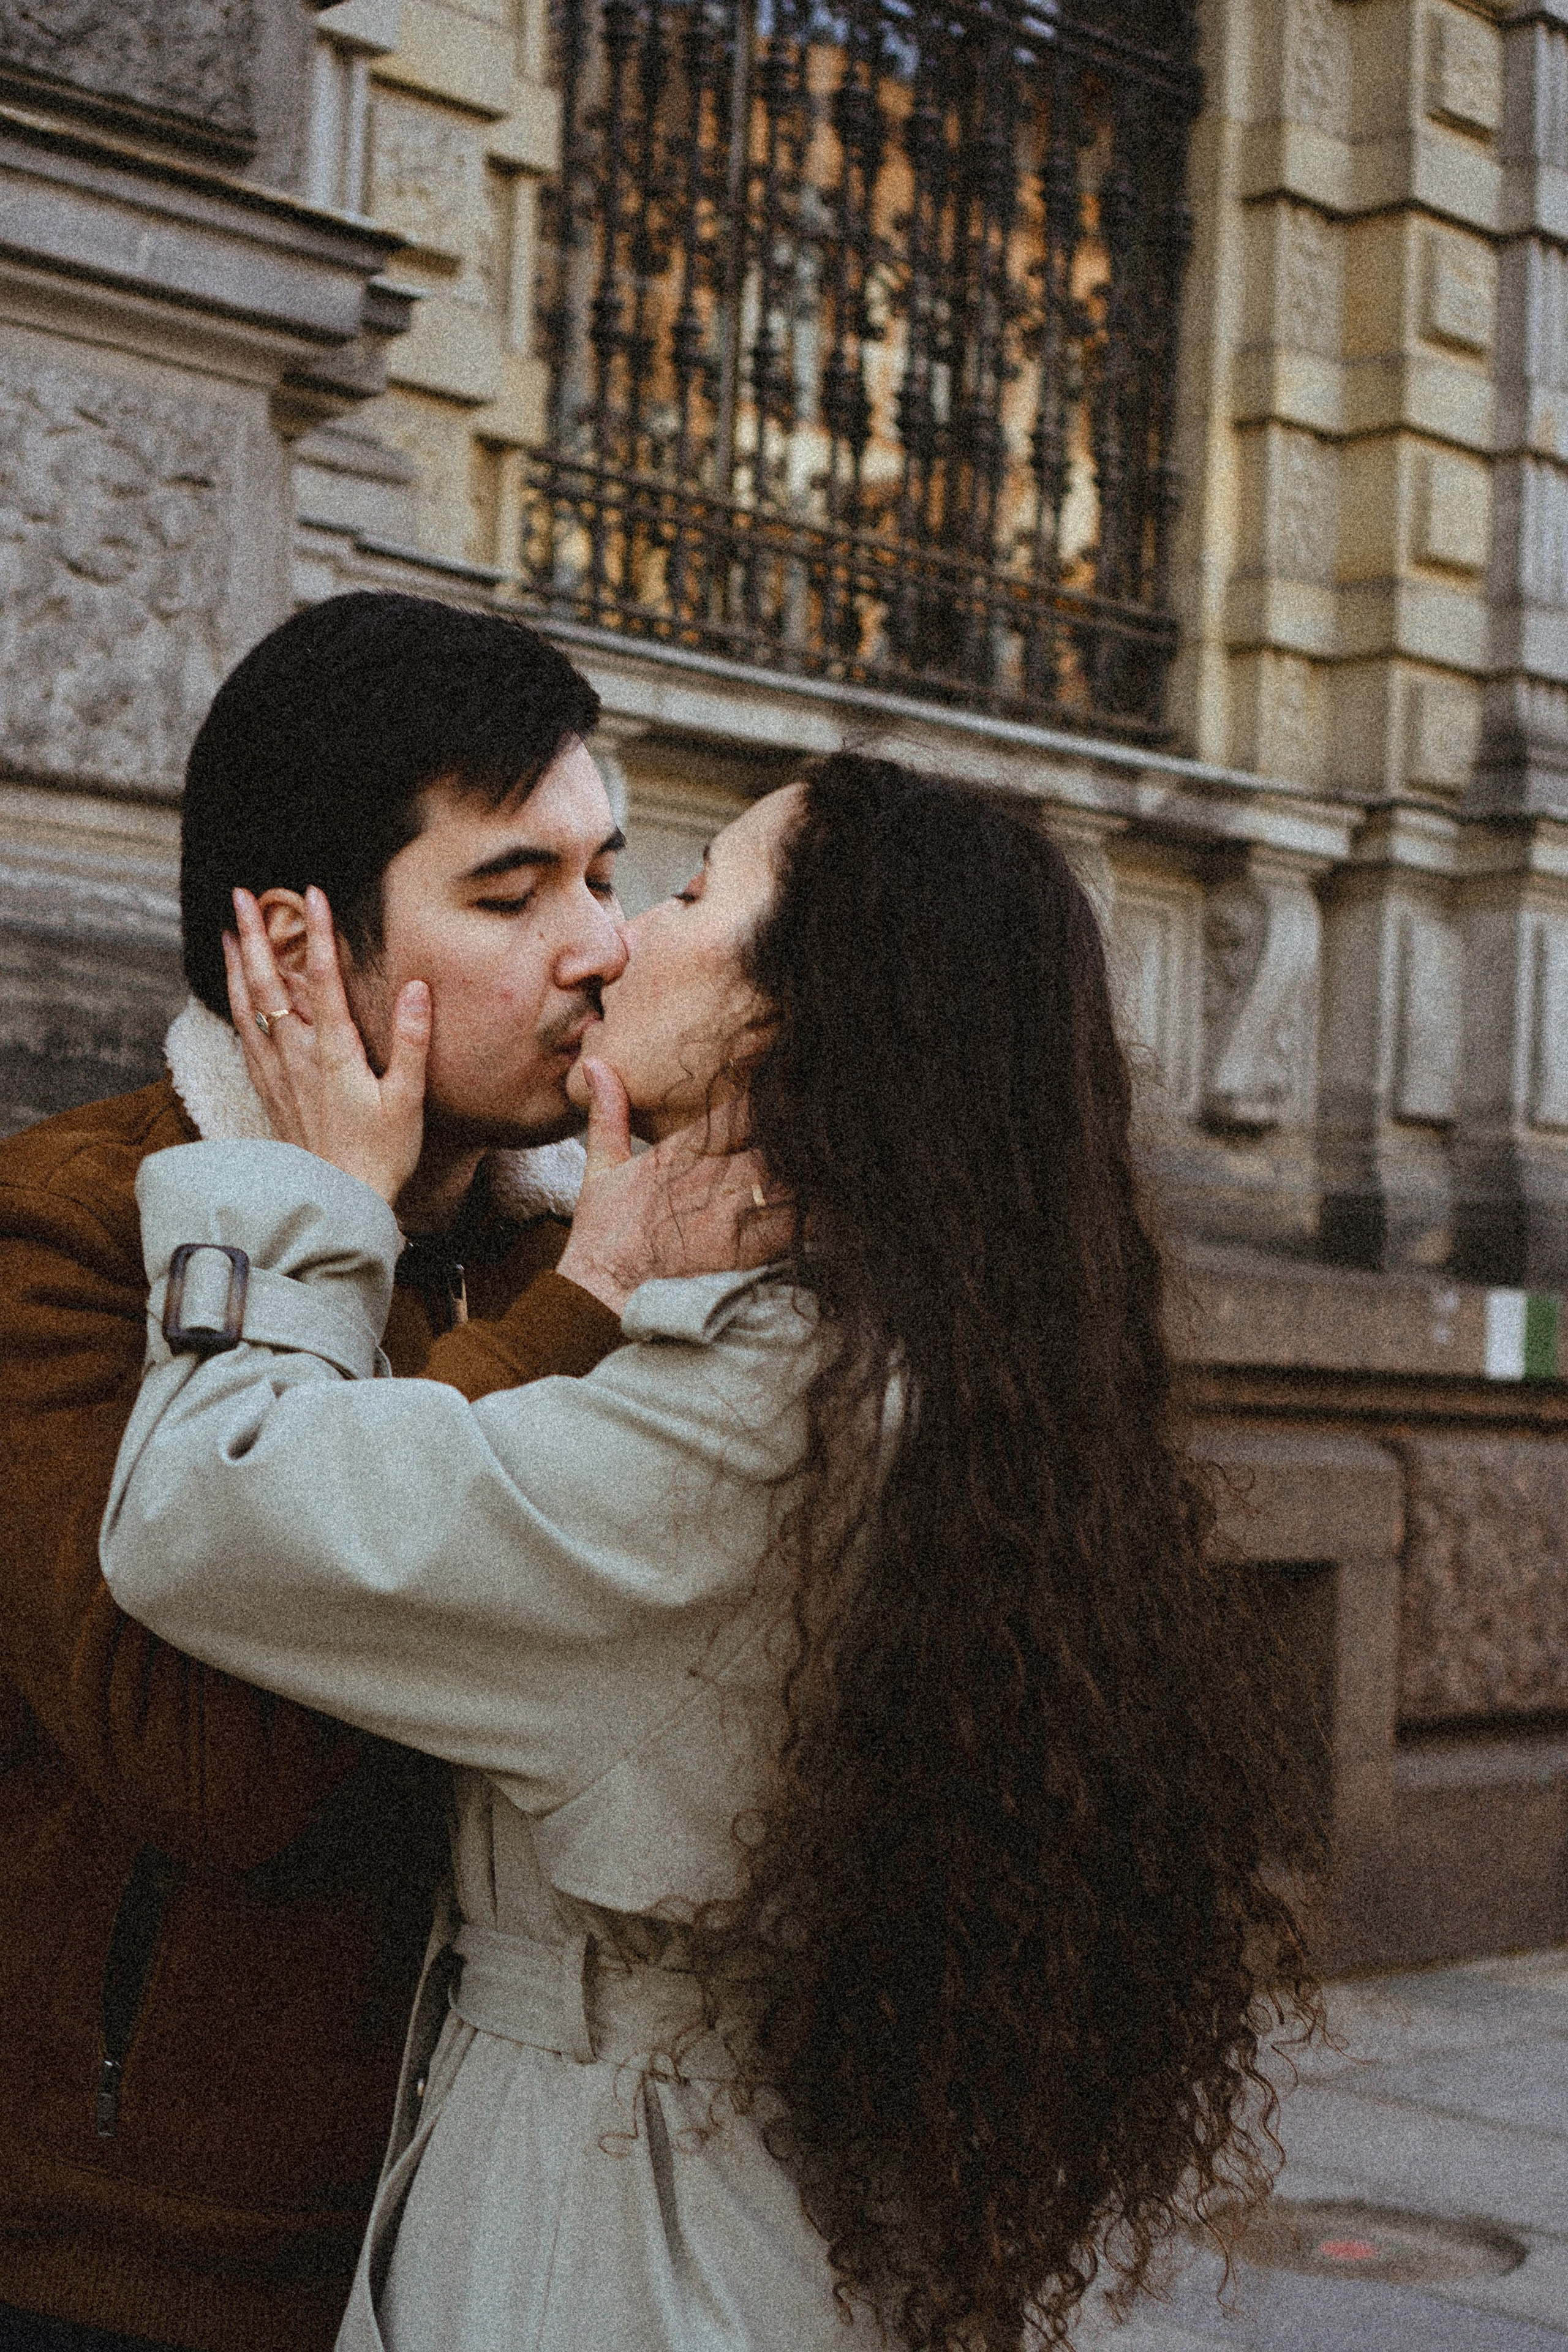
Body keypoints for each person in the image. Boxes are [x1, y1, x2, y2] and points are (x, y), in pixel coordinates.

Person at [100, 754, 1317, 2352]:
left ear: (785, 1015)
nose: (615, 941)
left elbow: (206, 1509)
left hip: (610, 2240)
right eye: (528, 889)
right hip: (752, 2195)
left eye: (683, 890)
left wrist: (316, 1195)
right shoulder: (908, 1357)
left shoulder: (756, 1419)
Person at [0, 591, 672, 2352]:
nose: (599, 946)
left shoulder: (565, 1249)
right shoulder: (66, 1231)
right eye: (514, 896)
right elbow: (218, 1771)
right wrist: (357, 1233)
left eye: (606, 876)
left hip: (483, 2228)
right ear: (298, 948)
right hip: (138, 2261)